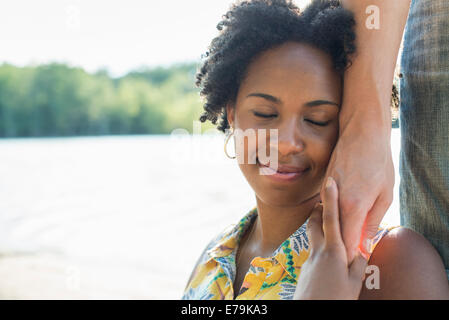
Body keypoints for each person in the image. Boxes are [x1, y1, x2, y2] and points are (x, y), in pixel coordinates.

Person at [182, 0, 449, 300]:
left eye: (317, 120)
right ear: (232, 114)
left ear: (349, 124)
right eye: (264, 114)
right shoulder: (215, 257)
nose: (286, 142)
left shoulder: (391, 261)